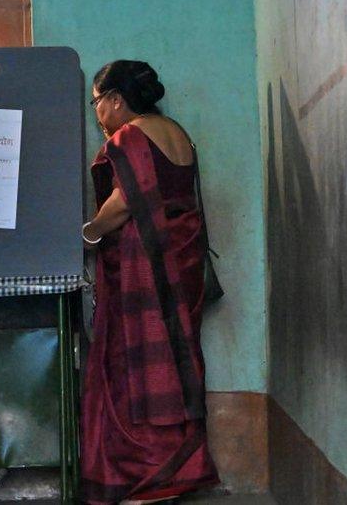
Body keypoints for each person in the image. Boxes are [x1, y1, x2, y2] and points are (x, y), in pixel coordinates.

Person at [80, 61, 219, 504]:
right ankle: (184, 463)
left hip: (145, 267)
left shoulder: (131, 136)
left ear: (116, 100)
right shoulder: (178, 132)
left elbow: (126, 201)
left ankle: (152, 475)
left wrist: (89, 231)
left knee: (138, 365)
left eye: (96, 103)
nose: (96, 113)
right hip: (185, 259)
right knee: (180, 356)